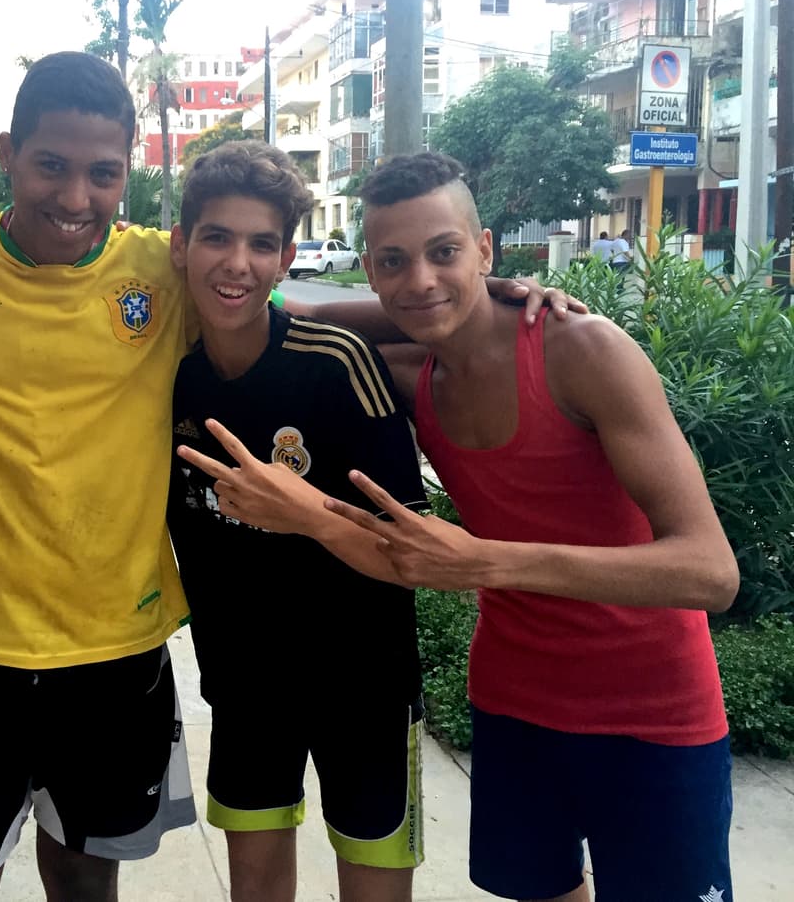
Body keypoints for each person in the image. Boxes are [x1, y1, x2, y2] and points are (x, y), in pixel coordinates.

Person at [0, 53, 578, 902]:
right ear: (6, 157)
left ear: (131, 171)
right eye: (52, 166)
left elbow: (267, 297)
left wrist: (474, 296)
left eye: (103, 173)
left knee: (90, 885)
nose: (76, 196)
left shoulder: (160, 263)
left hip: (118, 659)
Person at [185, 152, 738, 902]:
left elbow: (711, 571)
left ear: (485, 248)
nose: (419, 280)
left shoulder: (582, 349)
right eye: (393, 260)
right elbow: (291, 314)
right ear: (372, 272)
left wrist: (487, 561)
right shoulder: (418, 379)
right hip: (515, 705)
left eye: (445, 251)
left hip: (652, 714)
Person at [167, 140, 426, 902]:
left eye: (260, 244)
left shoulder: (336, 363)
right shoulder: (169, 370)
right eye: (216, 237)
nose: (236, 264)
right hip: (244, 686)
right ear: (181, 245)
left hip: (365, 688)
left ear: (285, 259)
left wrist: (304, 513)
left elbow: (413, 553)